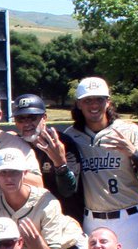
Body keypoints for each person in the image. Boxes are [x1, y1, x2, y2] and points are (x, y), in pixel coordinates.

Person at [62, 77, 138, 249]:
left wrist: (133, 153)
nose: (94, 105)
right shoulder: (71, 136)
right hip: (91, 220)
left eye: (99, 99)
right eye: (87, 100)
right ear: (78, 104)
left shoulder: (128, 131)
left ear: (108, 101)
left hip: (127, 217)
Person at [0, 148, 86, 249]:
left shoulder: (46, 202)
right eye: (3, 172)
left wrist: (38, 248)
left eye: (14, 172)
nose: (9, 178)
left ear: (25, 173)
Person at [10, 93, 84, 221]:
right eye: (21, 118)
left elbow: (68, 191)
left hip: (64, 217)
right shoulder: (14, 144)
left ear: (44, 118)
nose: (27, 123)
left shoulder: (62, 142)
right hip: (30, 218)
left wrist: (60, 163)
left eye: (32, 117)